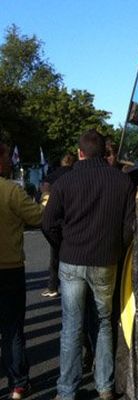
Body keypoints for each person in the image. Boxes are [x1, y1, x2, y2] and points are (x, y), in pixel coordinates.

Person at [42, 130, 136, 400]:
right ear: (104, 152)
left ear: (80, 152)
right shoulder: (123, 182)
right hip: (106, 260)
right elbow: (129, 227)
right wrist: (116, 249)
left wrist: (62, 246)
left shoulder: (64, 183)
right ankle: (105, 386)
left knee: (71, 325)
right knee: (104, 322)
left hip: (71, 259)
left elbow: (48, 224)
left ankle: (66, 390)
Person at [0, 141, 44, 400]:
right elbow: (38, 217)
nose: (10, 162)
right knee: (13, 330)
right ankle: (18, 384)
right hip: (9, 269)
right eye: (6, 158)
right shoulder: (11, 191)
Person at [40, 153, 76, 298]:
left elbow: (45, 190)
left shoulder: (53, 176)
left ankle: (53, 286)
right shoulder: (76, 174)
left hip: (56, 217)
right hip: (72, 218)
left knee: (55, 254)